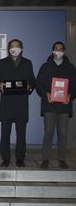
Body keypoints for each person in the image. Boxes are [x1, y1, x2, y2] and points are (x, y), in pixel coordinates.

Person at [0, 39, 35, 167]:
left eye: (17, 46)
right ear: (8, 49)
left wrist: (29, 86)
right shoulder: (2, 63)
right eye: (12, 47)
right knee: (5, 134)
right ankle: (5, 159)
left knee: (21, 135)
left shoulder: (28, 63)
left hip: (21, 104)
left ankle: (20, 159)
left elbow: (33, 82)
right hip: (6, 104)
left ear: (22, 48)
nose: (14, 49)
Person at [36, 41, 76, 169]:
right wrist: (46, 93)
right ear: (52, 51)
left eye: (61, 49)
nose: (58, 51)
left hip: (64, 105)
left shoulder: (71, 67)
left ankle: (62, 159)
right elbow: (38, 84)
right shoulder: (45, 66)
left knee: (62, 134)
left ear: (64, 51)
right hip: (49, 105)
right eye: (56, 49)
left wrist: (71, 95)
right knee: (48, 132)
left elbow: (75, 86)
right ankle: (45, 159)